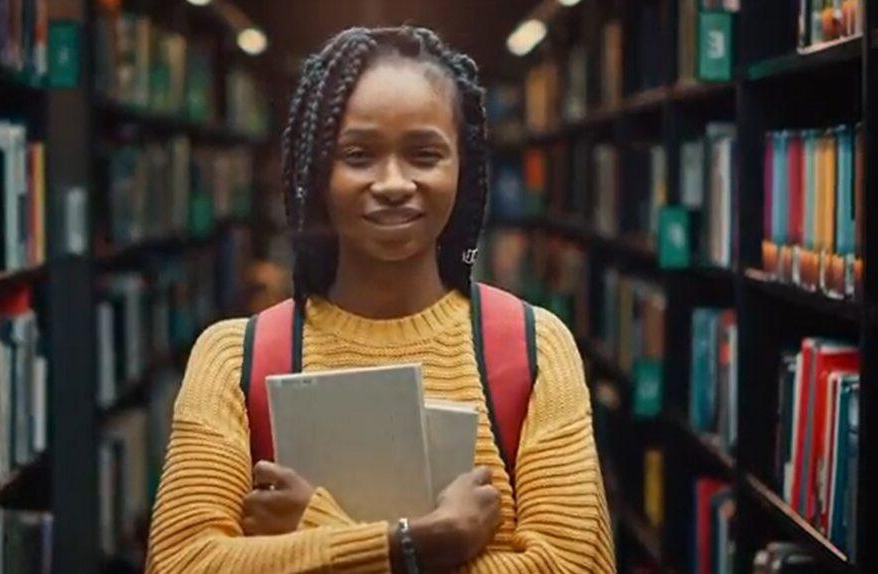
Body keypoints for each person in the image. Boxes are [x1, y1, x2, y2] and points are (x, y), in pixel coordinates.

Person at [146, 26, 615, 573]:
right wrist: (426, 540)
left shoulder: (535, 348)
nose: (393, 182)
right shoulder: (232, 359)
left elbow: (574, 567)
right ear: (317, 171)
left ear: (463, 170)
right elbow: (181, 563)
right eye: (358, 154)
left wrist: (318, 530)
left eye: (424, 154)